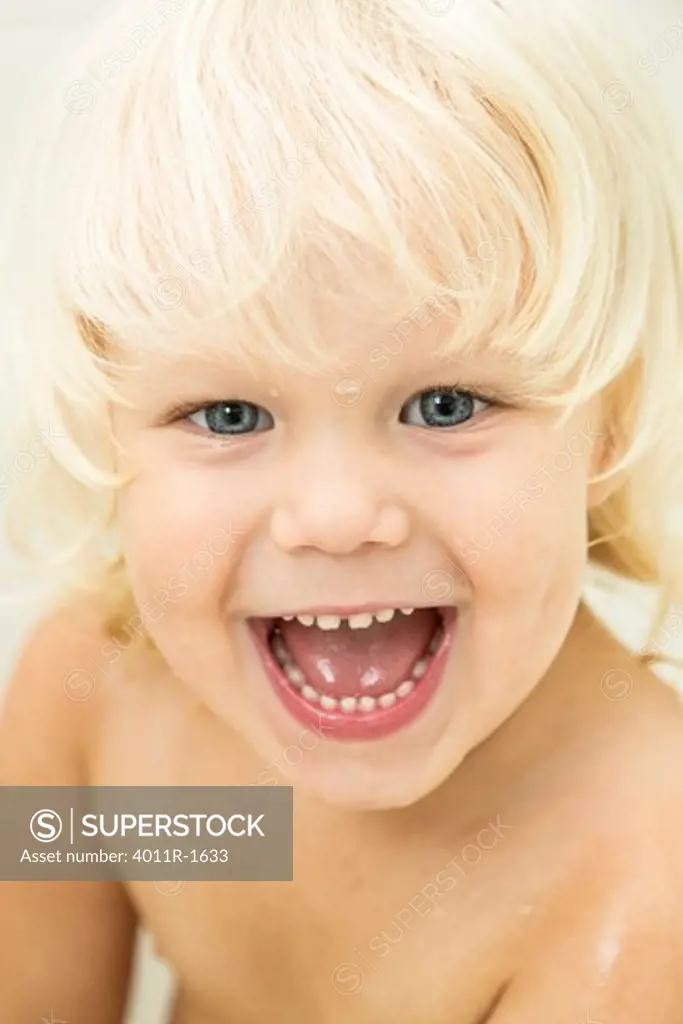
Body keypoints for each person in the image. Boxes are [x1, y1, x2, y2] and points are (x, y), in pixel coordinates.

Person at [2, 0, 683, 1019]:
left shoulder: (635, 876)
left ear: (609, 422)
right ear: (109, 434)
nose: (331, 515)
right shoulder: (102, 709)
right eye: (226, 413)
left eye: (444, 404)